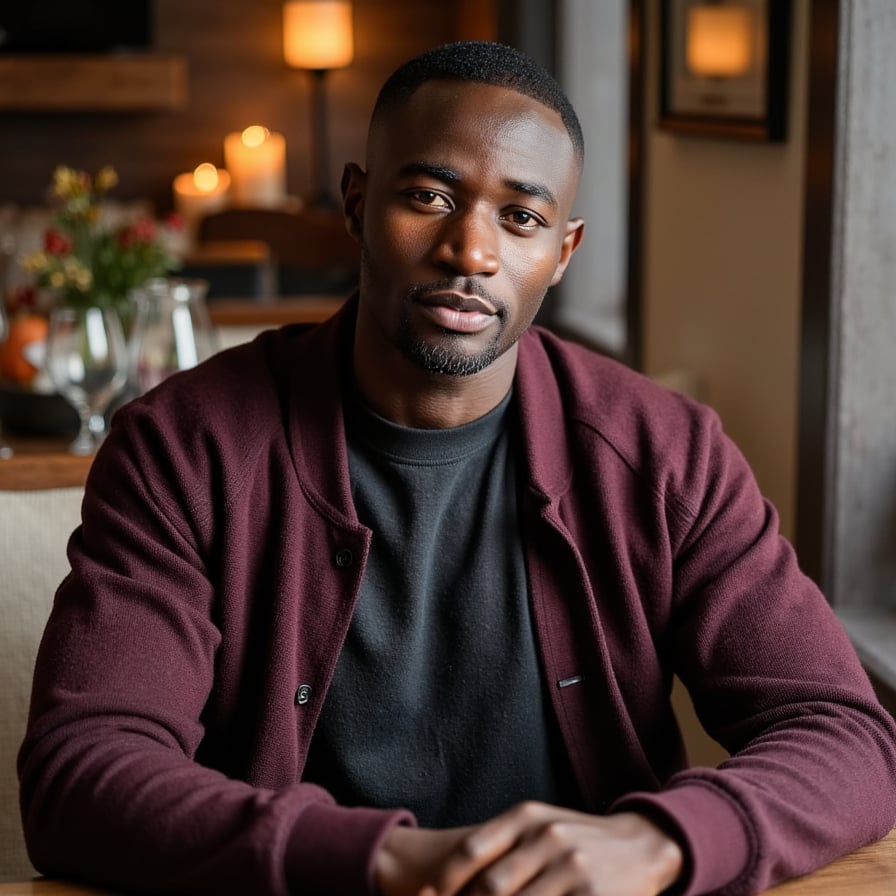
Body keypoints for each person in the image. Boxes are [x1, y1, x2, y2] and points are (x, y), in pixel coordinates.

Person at [18, 40, 896, 896]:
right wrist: (390, 863)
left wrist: (658, 841)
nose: (470, 251)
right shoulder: (181, 448)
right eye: (430, 195)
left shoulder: (667, 452)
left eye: (521, 216)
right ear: (358, 204)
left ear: (563, 251)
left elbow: (844, 733)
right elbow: (82, 770)